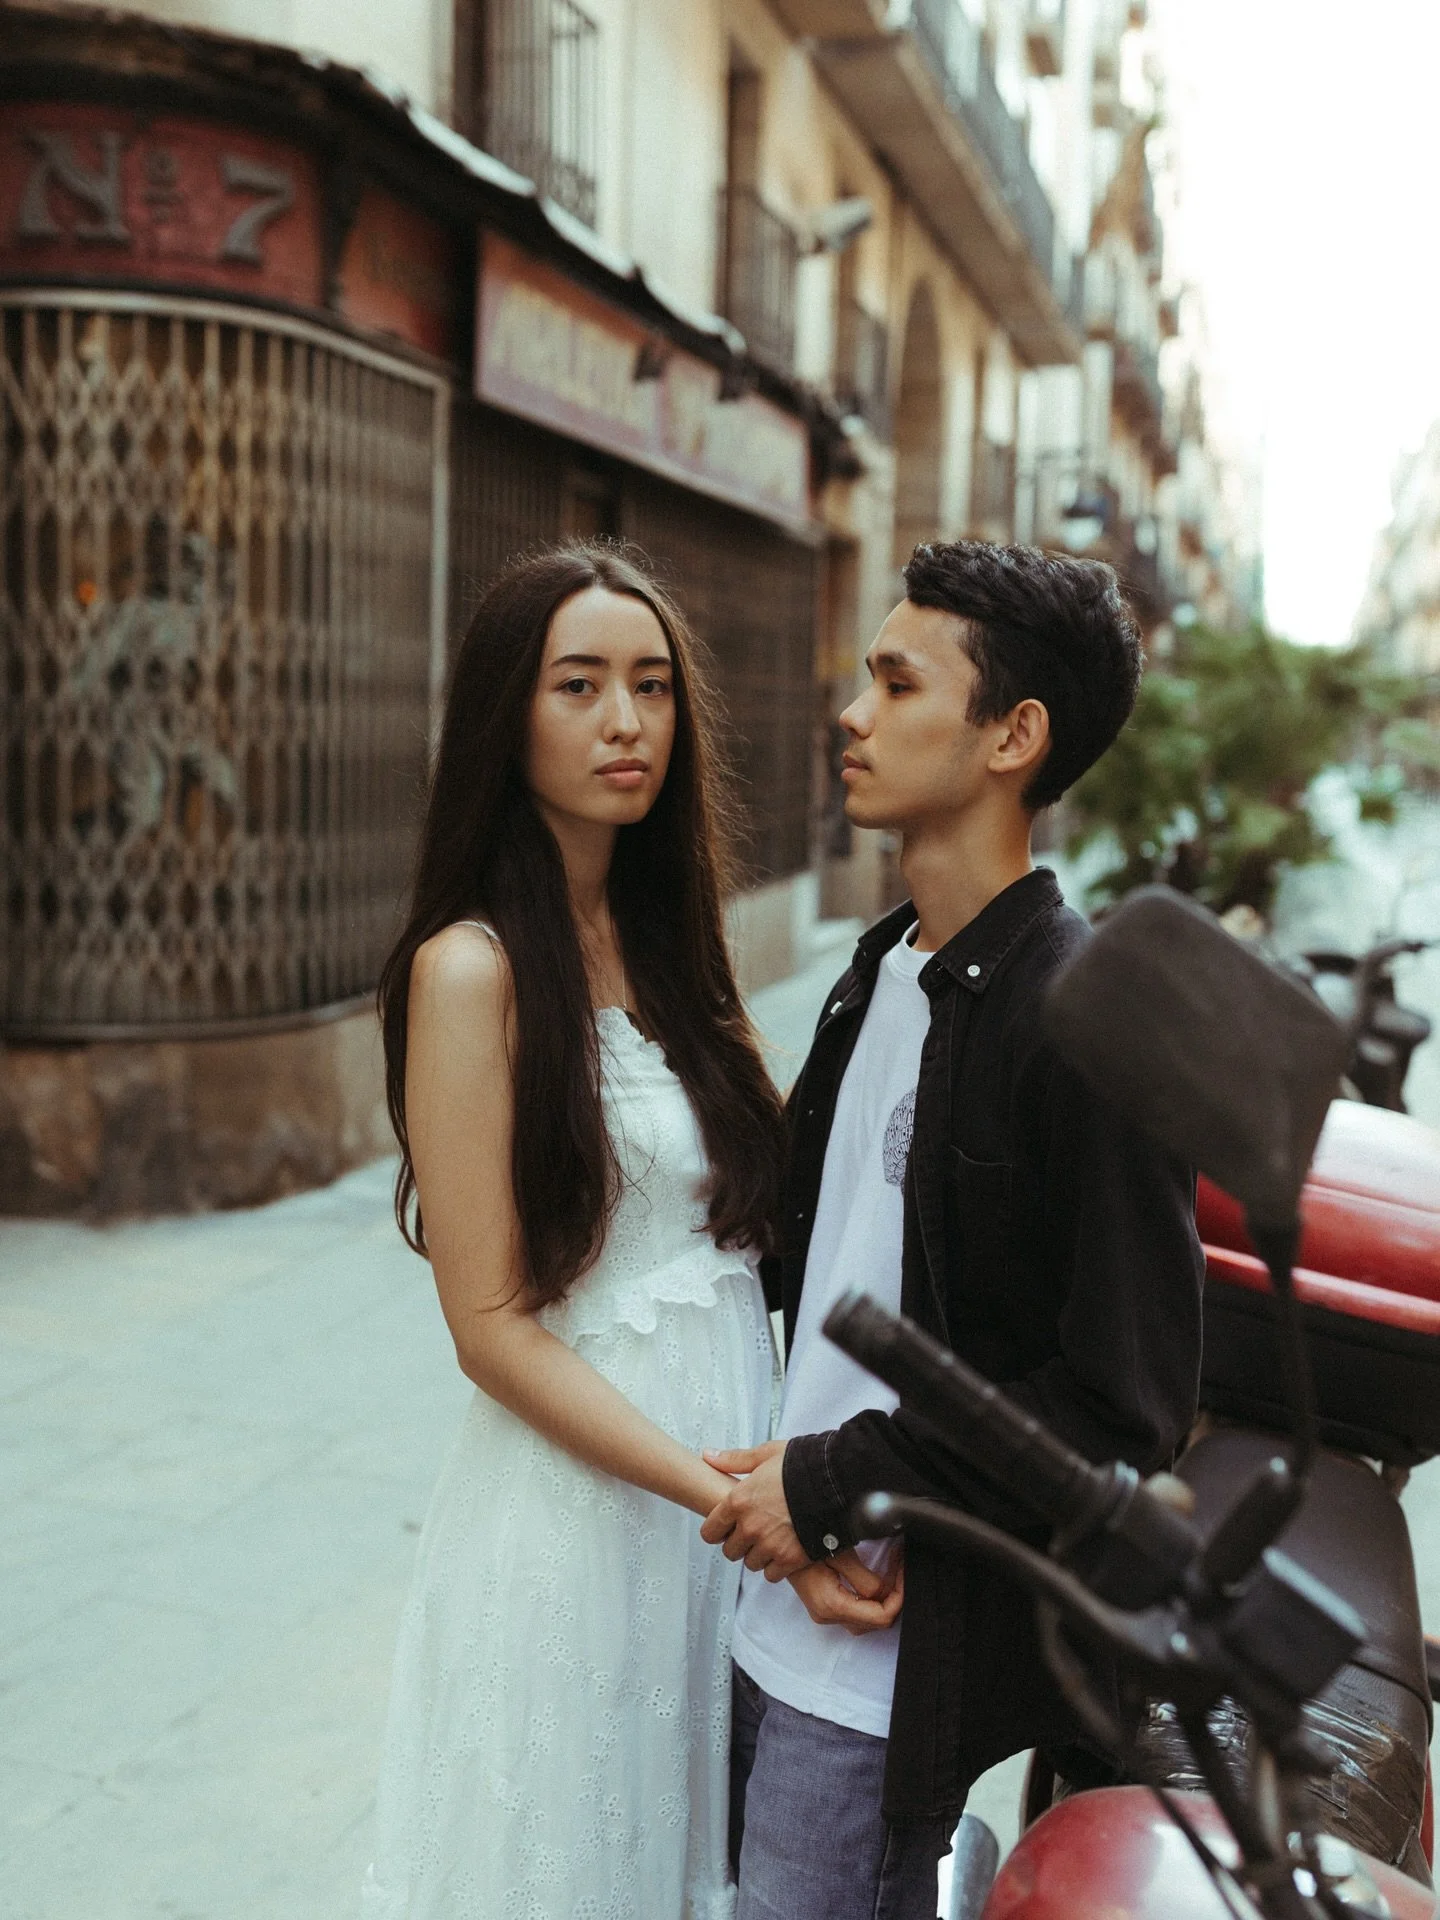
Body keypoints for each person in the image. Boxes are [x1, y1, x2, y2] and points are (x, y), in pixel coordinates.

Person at [359, 541, 897, 1920]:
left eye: (653, 687)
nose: (626, 722)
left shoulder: (670, 945)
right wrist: (730, 1502)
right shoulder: (470, 969)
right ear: (507, 715)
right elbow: (489, 1329)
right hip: (588, 1516)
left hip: (716, 1514)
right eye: (580, 685)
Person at [702, 540, 1206, 1920]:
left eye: (896, 682)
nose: (851, 713)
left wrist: (836, 1483)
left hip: (879, 1671)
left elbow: (1123, 1406)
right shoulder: (877, 972)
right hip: (760, 1597)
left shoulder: (1088, 1022)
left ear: (1012, 736)